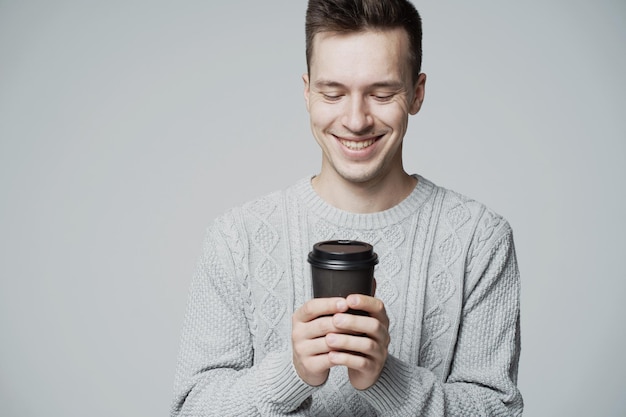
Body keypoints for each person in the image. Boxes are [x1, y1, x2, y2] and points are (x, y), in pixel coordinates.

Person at [171, 0, 523, 415]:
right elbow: (191, 409)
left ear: (417, 93)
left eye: (382, 93)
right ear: (307, 92)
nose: (356, 120)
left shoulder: (479, 239)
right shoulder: (236, 237)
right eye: (333, 92)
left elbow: (498, 410)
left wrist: (386, 378)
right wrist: (291, 373)